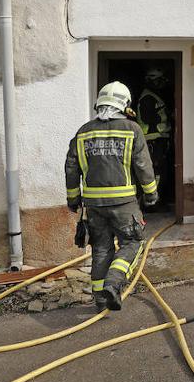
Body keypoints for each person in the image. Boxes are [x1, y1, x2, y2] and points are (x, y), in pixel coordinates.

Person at [65, 81, 159, 310]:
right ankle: (113, 285)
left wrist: (73, 199)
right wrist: (151, 194)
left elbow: (71, 168)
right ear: (124, 104)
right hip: (124, 203)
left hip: (94, 205)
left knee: (101, 248)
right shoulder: (132, 129)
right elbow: (143, 166)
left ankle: (99, 298)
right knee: (133, 242)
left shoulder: (83, 131)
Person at [137, 66, 174, 211]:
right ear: (152, 81)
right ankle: (152, 204)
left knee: (161, 172)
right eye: (159, 80)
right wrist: (168, 116)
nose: (162, 83)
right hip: (153, 141)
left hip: (159, 140)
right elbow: (148, 117)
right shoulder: (147, 97)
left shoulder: (154, 95)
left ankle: (157, 201)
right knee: (155, 172)